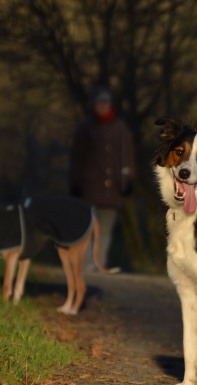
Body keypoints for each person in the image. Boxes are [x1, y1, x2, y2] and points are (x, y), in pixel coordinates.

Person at [68, 86, 136, 269]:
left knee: (105, 229)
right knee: (88, 228)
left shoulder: (120, 128)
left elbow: (127, 156)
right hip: (88, 188)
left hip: (113, 189)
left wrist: (128, 179)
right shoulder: (85, 128)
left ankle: (99, 264)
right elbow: (76, 156)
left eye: (106, 103)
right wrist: (75, 182)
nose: (103, 106)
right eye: (100, 103)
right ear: (94, 105)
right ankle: (86, 263)